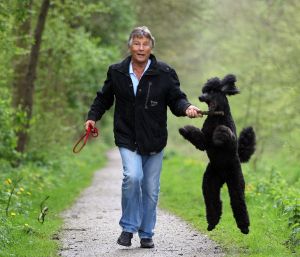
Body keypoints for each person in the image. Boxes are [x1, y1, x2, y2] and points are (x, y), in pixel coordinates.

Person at [85, 26, 202, 248]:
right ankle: (128, 228)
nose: (141, 48)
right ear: (130, 46)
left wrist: (187, 108)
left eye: (145, 44)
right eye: (136, 43)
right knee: (133, 177)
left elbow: (177, 99)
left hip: (154, 139)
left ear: (151, 47)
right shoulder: (117, 71)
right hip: (127, 137)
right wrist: (93, 117)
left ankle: (146, 233)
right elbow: (103, 98)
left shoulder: (165, 73)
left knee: (150, 189)